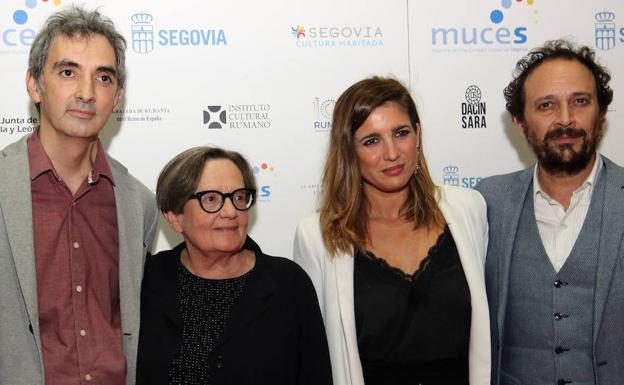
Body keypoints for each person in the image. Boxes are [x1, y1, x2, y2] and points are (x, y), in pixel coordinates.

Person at [293, 77, 491, 385]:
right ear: (349, 151)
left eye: (401, 133)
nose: (392, 153)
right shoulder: (318, 237)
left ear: (418, 134)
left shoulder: (468, 209)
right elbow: (315, 351)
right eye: (371, 141)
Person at [0, 6, 159, 385]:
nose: (87, 93)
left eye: (103, 78)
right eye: (68, 72)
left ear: (117, 96)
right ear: (34, 85)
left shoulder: (139, 203)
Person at [476, 39, 623, 385]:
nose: (566, 119)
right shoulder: (488, 201)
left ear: (601, 112)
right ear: (520, 121)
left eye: (581, 101)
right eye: (546, 106)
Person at [136, 146, 332, 385]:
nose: (230, 211)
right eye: (211, 199)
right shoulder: (147, 280)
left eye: (239, 197)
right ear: (175, 217)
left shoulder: (288, 284)